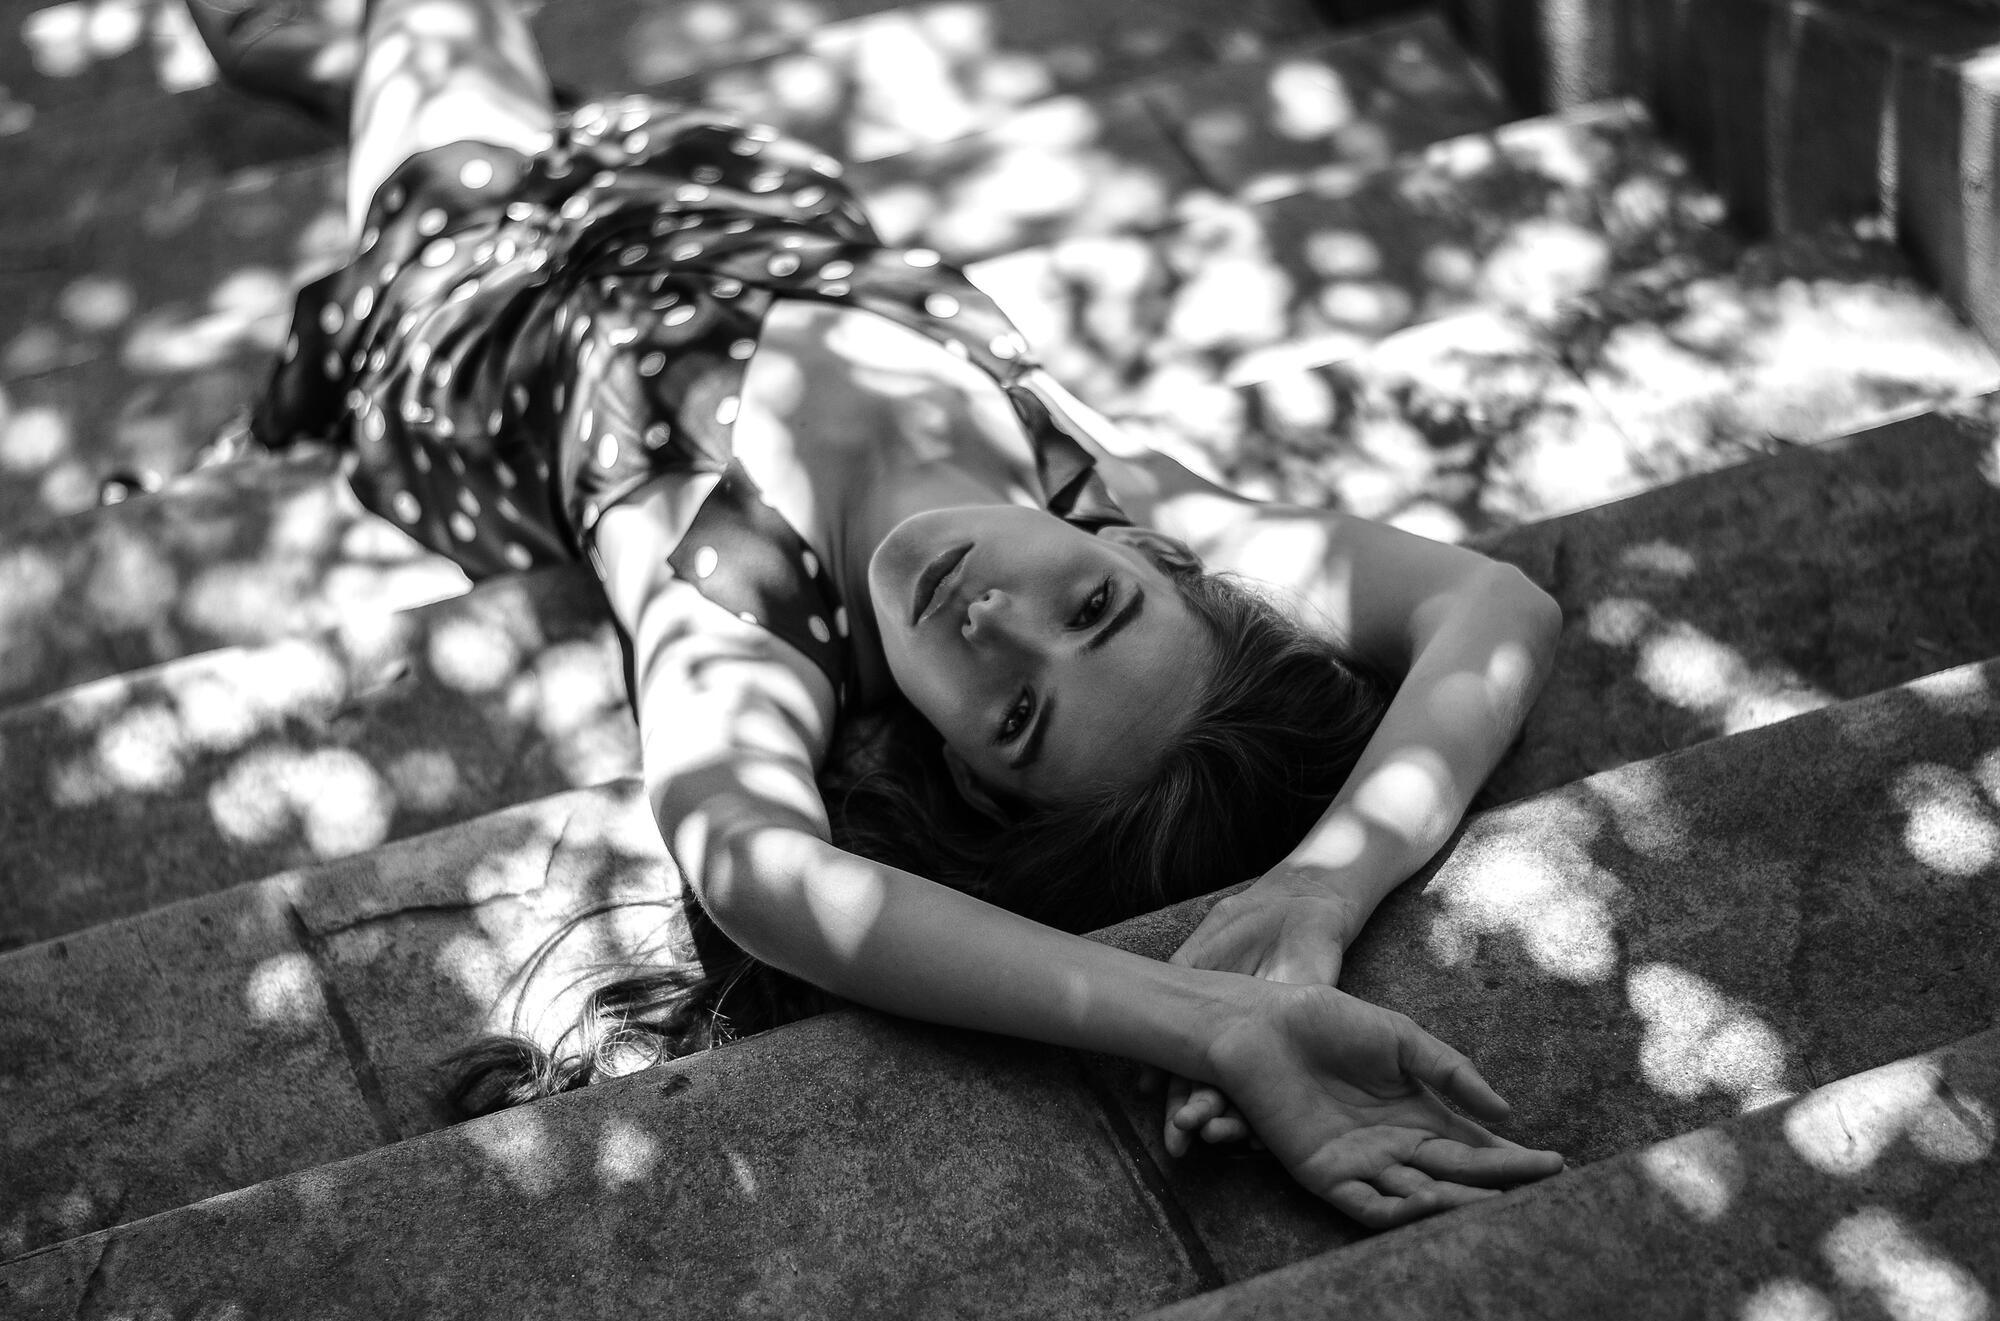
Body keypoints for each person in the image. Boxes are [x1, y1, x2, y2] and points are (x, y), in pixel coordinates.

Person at [185, 0, 1567, 1228]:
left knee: (432, 20)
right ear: (1147, 553)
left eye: (1015, 717)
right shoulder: (1126, 487)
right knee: (421, 46)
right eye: (1093, 606)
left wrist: (1211, 1022)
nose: (992, 618)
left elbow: (756, 873)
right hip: (733, 194)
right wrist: (1319, 887)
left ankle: (361, 68)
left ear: (965, 770)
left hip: (480, 284)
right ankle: (351, 65)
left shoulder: (740, 615)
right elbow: (1490, 604)